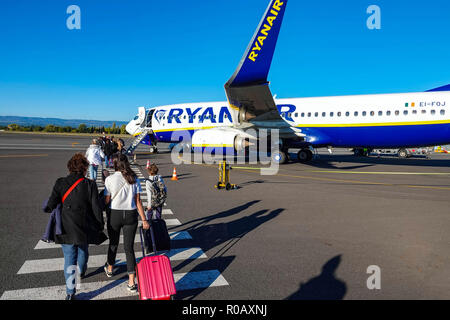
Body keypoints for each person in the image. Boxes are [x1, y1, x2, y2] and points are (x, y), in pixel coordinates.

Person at [44, 153, 105, 300]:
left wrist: (48, 207)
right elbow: (96, 207)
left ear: (70, 167)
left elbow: (51, 204)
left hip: (65, 226)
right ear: (85, 169)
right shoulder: (90, 184)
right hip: (83, 225)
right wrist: (99, 224)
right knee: (83, 250)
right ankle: (82, 271)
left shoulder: (60, 182)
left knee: (69, 258)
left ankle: (70, 293)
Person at [103, 154, 149, 293]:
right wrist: (144, 220)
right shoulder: (134, 178)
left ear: (115, 164)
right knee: (129, 248)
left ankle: (110, 268)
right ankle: (131, 282)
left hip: (115, 214)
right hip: (130, 215)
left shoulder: (110, 179)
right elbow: (138, 202)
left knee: (113, 243)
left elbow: (106, 200)